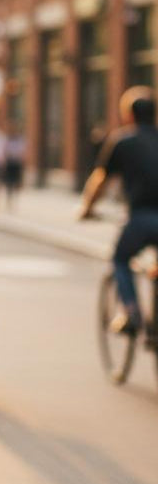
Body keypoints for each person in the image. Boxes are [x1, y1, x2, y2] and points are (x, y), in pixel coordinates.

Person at [79, 87, 158, 334]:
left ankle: (131, 311)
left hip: (141, 217)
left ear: (128, 115)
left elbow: (101, 180)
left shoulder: (123, 141)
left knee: (121, 260)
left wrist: (87, 209)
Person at [2, 121, 26, 208]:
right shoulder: (7, 139)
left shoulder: (20, 140)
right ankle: (9, 199)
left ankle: (14, 200)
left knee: (16, 182)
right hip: (9, 162)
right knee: (9, 183)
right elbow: (4, 151)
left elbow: (22, 152)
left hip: (16, 162)